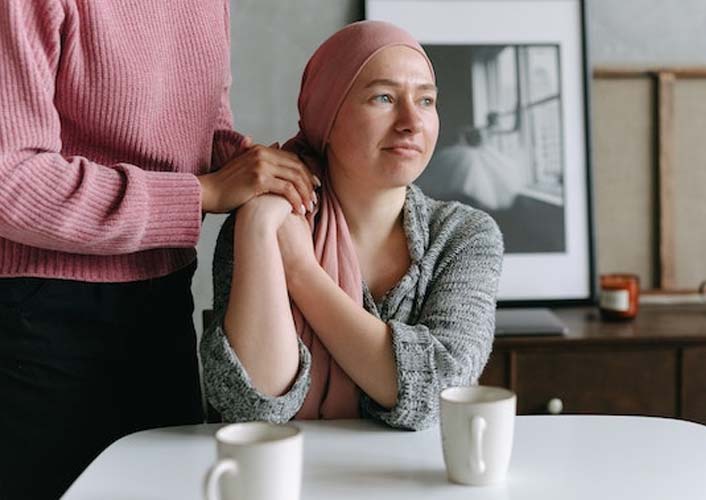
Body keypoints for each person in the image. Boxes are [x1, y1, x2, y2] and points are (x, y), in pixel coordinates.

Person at [0, 2, 317, 498]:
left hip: (164, 298)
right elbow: (12, 183)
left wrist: (254, 162)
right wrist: (206, 193)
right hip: (38, 312)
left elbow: (202, 131)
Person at [201, 20, 504, 430]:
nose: (411, 122)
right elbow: (251, 409)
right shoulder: (265, 221)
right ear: (327, 116)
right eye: (383, 98)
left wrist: (302, 272)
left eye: (426, 101)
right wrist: (256, 222)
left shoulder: (465, 236)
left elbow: (439, 393)